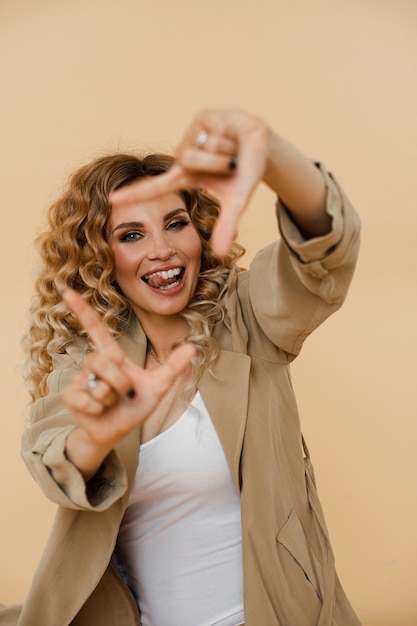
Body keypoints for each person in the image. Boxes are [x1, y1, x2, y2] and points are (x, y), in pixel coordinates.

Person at [0, 109, 362, 625]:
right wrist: (98, 437)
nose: (163, 249)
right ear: (102, 257)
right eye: (131, 235)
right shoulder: (86, 363)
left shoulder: (248, 315)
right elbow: (55, 459)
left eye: (175, 224)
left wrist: (274, 154)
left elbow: (322, 254)